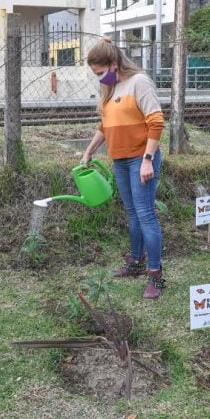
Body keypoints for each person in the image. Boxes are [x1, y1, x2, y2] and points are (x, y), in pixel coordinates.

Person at [81, 38, 166, 299]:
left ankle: (156, 276)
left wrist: (148, 160)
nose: (98, 79)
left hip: (141, 160)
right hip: (120, 160)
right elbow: (106, 127)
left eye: (100, 73)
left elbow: (156, 122)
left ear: (114, 65)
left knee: (145, 215)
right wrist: (89, 150)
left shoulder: (139, 82)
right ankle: (136, 262)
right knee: (132, 213)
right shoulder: (111, 89)